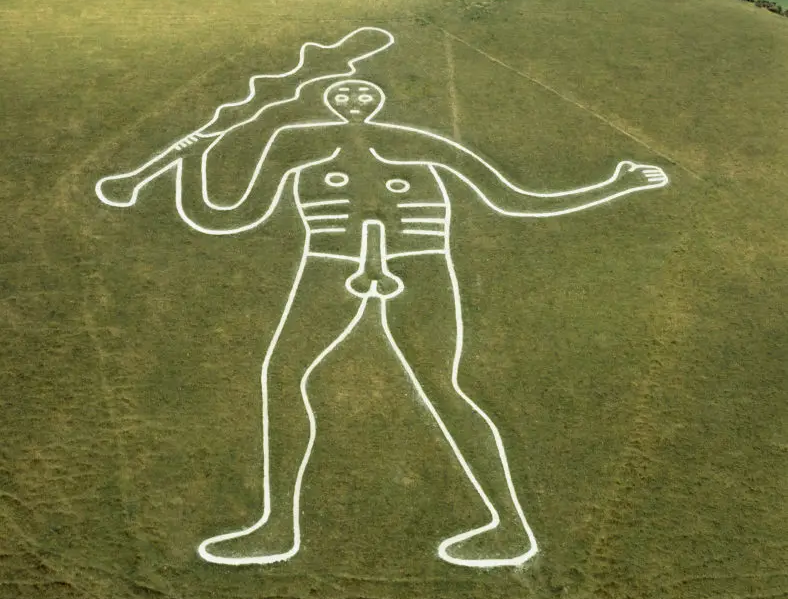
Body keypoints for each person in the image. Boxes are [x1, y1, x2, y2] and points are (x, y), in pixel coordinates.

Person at [98, 76, 668, 568]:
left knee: (439, 385)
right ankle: (276, 527)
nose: (353, 100)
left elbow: (511, 198)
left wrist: (614, 185)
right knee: (284, 375)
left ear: (376, 100)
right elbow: (226, 216)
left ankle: (510, 527)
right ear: (329, 101)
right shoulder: (295, 143)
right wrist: (191, 159)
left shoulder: (413, 144)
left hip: (418, 260)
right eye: (343, 93)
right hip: (330, 262)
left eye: (362, 92)